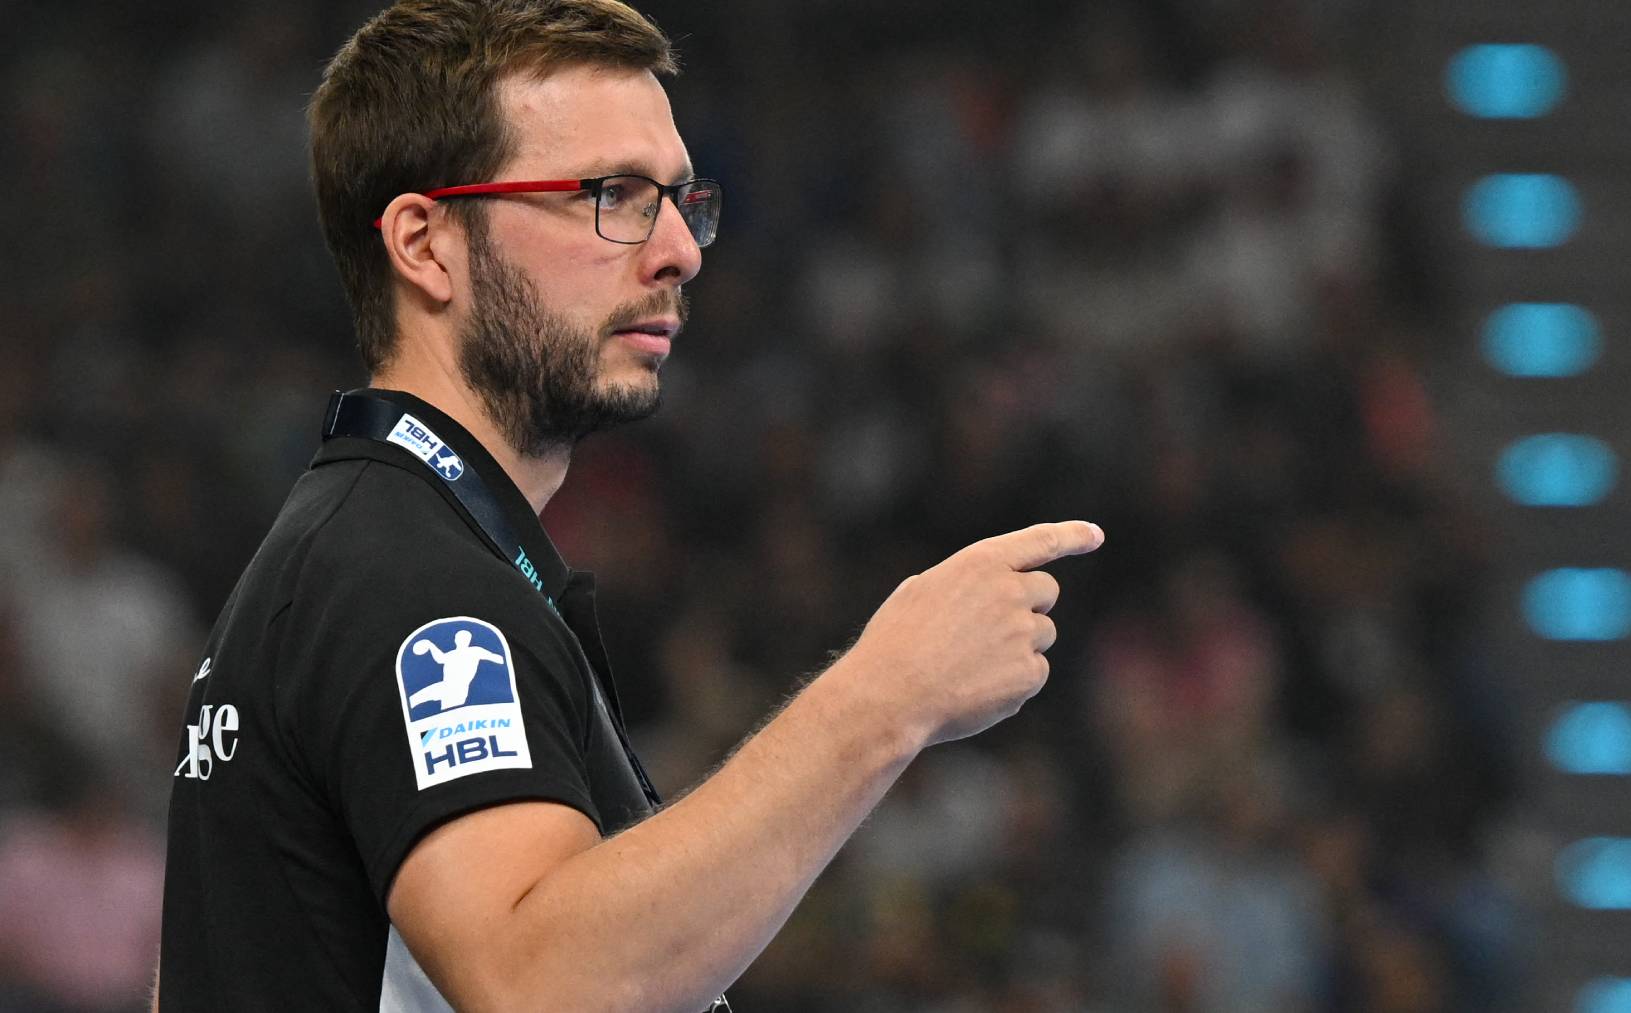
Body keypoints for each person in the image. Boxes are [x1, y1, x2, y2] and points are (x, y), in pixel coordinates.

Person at [154, 1, 1104, 1010]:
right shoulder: (404, 575)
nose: (678, 252)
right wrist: (887, 694)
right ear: (427, 244)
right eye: (611, 194)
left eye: (679, 200)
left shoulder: (378, 550)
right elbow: (544, 981)